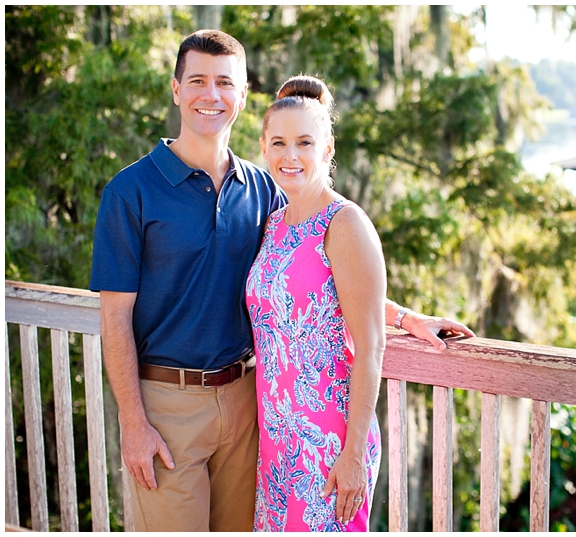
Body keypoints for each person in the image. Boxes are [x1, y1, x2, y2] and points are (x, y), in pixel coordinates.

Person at [89, 29, 474, 532]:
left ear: (243, 94)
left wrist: (403, 317)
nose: (212, 95)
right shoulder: (131, 192)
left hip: (257, 410)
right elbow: (114, 316)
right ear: (176, 89)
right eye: (198, 81)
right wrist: (133, 424)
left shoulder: (266, 194)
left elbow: (326, 283)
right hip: (173, 409)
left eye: (225, 82)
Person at [246, 75, 383, 531]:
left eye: (305, 142)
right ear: (264, 148)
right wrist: (405, 314)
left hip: (331, 441)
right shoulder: (272, 226)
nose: (291, 156)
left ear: (327, 149)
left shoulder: (345, 223)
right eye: (280, 143)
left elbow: (370, 347)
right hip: (277, 441)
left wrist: (353, 454)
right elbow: (308, 297)